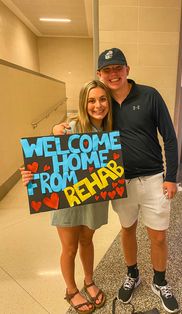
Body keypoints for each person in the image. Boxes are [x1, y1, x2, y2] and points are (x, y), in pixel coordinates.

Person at [53, 48, 180, 313]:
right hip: (119, 184)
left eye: (118, 68)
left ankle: (160, 281)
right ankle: (132, 274)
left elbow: (169, 137)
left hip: (154, 179)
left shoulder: (149, 95)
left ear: (127, 70)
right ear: (100, 74)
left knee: (157, 236)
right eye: (107, 70)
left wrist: (171, 177)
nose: (113, 74)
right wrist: (57, 129)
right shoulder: (103, 105)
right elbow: (70, 136)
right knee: (127, 230)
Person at [20, 80, 113, 314]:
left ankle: (89, 281)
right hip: (68, 200)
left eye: (103, 99)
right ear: (83, 103)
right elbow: (45, 158)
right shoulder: (71, 128)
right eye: (91, 100)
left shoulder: (110, 131)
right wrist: (32, 175)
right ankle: (71, 290)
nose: (98, 105)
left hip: (94, 196)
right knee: (69, 248)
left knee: (87, 241)